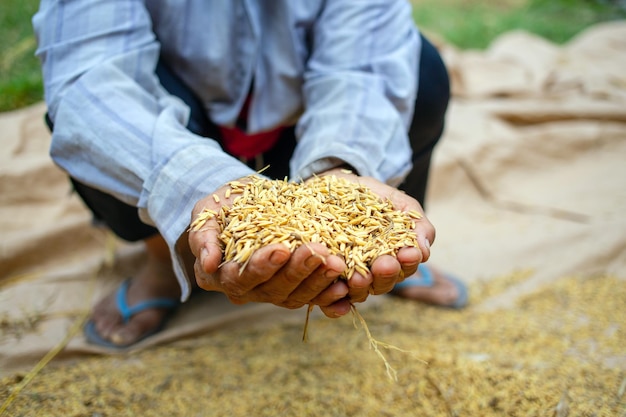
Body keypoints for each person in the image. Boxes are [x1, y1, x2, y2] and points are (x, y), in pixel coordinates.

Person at [33, 0, 468, 349]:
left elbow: (364, 68)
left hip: (303, 138)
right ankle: (165, 259)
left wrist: (342, 168)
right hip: (182, 131)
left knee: (421, 69)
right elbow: (90, 78)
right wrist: (202, 184)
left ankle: (372, 248)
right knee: (90, 121)